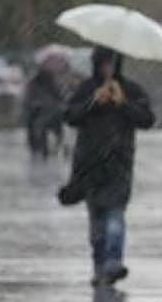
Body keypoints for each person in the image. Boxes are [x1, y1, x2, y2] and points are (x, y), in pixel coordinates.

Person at [59, 46, 155, 286]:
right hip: (90, 165)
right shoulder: (86, 89)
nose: (107, 70)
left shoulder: (131, 89)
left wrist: (122, 104)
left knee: (115, 216)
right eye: (103, 65)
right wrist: (94, 102)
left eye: (111, 65)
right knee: (97, 223)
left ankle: (114, 261)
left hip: (119, 164)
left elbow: (147, 119)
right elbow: (70, 116)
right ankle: (99, 266)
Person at [22, 62, 67, 159]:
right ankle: (45, 147)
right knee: (37, 126)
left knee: (41, 127)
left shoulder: (51, 83)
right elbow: (28, 99)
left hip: (49, 112)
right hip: (40, 112)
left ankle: (53, 147)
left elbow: (60, 97)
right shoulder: (34, 84)